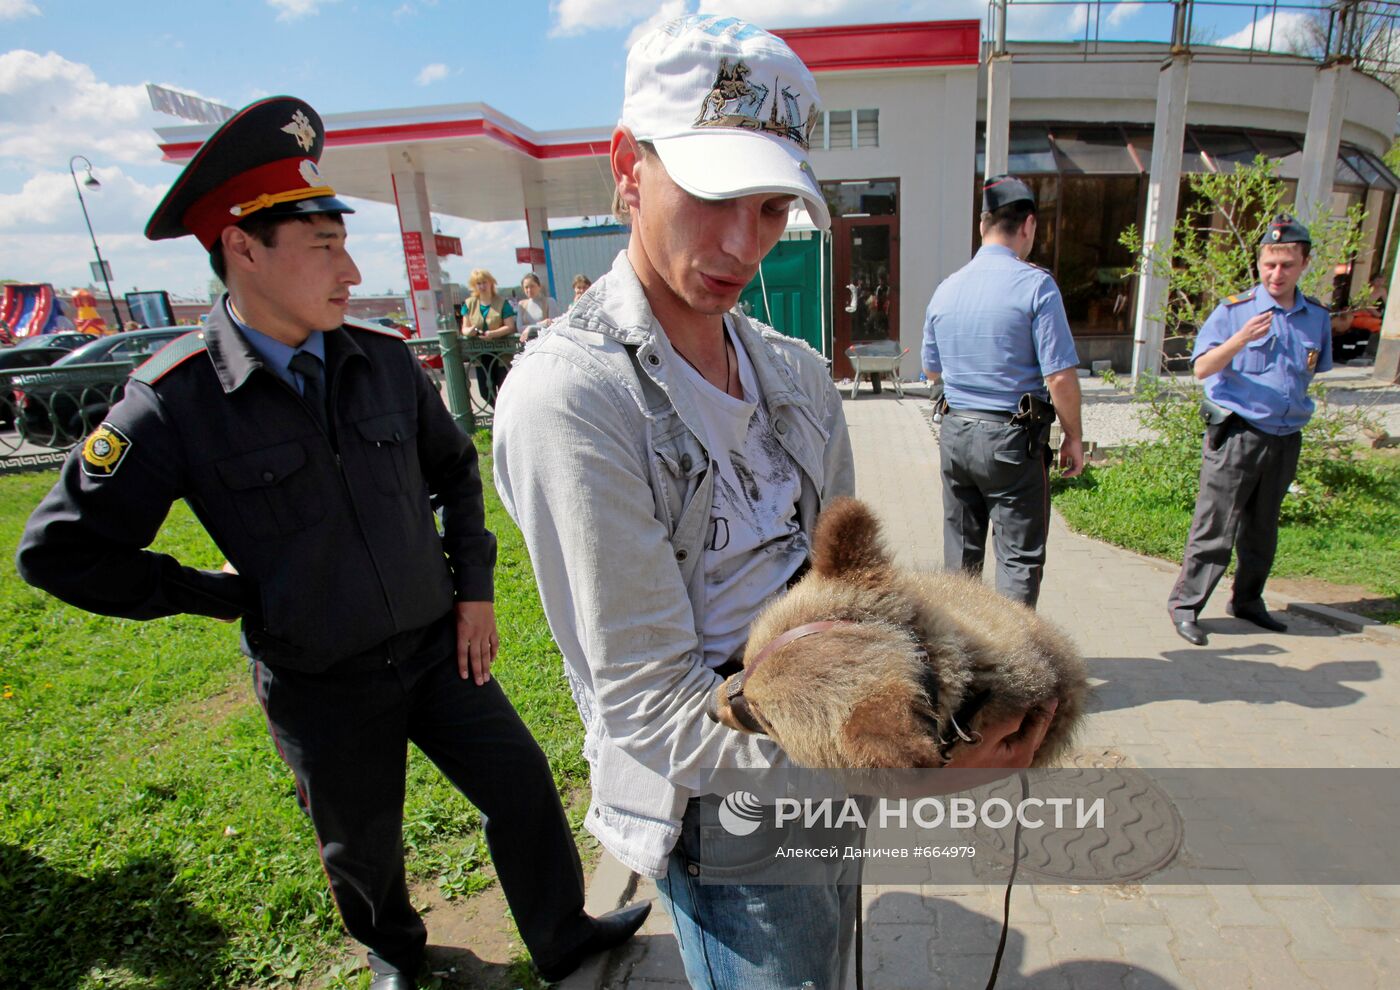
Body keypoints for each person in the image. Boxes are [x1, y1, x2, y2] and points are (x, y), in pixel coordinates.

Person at [13, 97, 646, 989]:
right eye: (324, 244)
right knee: (363, 845)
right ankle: (398, 955)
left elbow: (456, 474)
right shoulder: (173, 401)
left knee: (522, 786)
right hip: (320, 681)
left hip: (436, 650)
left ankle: (562, 935)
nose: (352, 268)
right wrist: (218, 592)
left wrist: (474, 591)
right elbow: (57, 551)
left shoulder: (381, 358)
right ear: (242, 248)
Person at [493, 18, 1057, 990]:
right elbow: (647, 706)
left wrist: (946, 697)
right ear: (628, 166)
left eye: (767, 209)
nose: (738, 243)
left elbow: (849, 593)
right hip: (723, 814)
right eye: (710, 195)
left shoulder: (793, 373)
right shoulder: (573, 399)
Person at [921, 174, 1085, 609]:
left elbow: (930, 369)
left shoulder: (946, 289)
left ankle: (960, 663)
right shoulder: (1035, 286)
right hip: (1012, 442)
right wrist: (1073, 436)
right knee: (1017, 562)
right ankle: (1011, 668)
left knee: (959, 562)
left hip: (955, 433)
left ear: (982, 225)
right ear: (1028, 225)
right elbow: (1060, 378)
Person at [1168, 214, 1332, 646]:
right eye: (1269, 265)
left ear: (1304, 265)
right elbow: (1202, 368)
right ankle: (1186, 606)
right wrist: (1239, 340)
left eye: (1287, 265)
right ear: (1259, 263)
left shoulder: (1315, 317)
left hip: (1284, 437)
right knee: (1215, 525)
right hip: (1237, 434)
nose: (1276, 274)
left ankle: (1248, 601)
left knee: (1263, 527)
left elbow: (1311, 373)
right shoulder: (1235, 311)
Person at [459, 268, 516, 405]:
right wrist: (469, 331)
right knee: (485, 392)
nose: (482, 286)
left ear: (491, 283)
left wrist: (493, 334)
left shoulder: (502, 302)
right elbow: (464, 328)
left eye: (484, 282)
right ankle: (498, 416)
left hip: (501, 353)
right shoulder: (469, 303)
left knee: (504, 389)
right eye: (478, 283)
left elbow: (510, 326)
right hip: (480, 353)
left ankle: (503, 417)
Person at [516, 271, 562, 342]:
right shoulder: (521, 305)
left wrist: (530, 328)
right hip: (528, 344)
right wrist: (541, 324)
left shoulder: (549, 302)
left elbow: (552, 324)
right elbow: (519, 328)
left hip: (546, 342)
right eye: (526, 287)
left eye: (532, 286)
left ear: (539, 286)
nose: (529, 290)